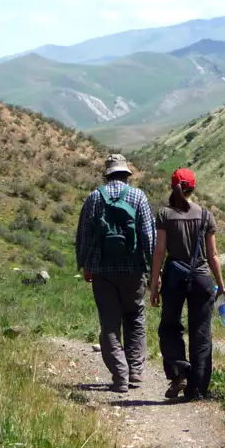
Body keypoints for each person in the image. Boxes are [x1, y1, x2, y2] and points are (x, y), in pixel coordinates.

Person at [76, 153, 156, 393]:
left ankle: (119, 375)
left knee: (109, 324)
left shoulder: (93, 198)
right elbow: (148, 236)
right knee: (135, 317)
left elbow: (84, 236)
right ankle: (135, 372)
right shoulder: (138, 196)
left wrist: (85, 265)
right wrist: (154, 270)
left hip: (102, 271)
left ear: (107, 174)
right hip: (133, 270)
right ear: (127, 175)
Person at [150, 168, 225, 400]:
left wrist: (155, 283)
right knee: (201, 333)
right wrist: (221, 285)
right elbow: (213, 255)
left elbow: (160, 251)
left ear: (172, 187)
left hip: (175, 276)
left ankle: (179, 374)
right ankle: (198, 389)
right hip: (202, 278)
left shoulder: (165, 214)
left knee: (170, 327)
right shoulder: (205, 215)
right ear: (193, 188)